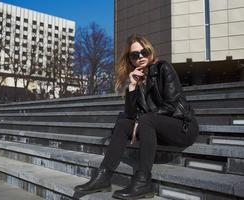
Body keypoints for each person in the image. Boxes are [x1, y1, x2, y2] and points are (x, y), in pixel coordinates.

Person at [74, 34, 199, 199]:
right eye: (135, 55)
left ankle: (143, 181)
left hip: (182, 127)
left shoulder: (163, 68)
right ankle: (103, 176)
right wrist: (132, 86)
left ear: (150, 52)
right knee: (123, 122)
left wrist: (141, 121)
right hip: (156, 129)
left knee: (146, 119)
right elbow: (131, 114)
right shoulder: (138, 79)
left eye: (144, 52)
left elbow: (171, 105)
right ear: (130, 59)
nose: (140, 57)